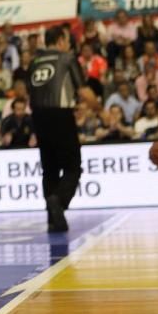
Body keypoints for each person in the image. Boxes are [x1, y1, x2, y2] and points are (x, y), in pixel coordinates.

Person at [27, 25, 96, 233]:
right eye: (66, 40)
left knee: (49, 170)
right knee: (73, 166)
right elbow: (83, 91)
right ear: (59, 41)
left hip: (38, 116)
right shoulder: (66, 59)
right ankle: (59, 201)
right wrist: (99, 109)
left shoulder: (33, 63)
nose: (68, 44)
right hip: (61, 115)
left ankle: (52, 220)